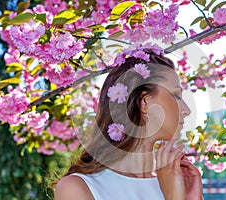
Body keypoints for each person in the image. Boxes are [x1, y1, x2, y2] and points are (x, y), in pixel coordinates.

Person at [54, 45, 203, 200]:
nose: (186, 110)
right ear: (145, 102)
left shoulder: (177, 180)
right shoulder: (77, 188)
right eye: (176, 95)